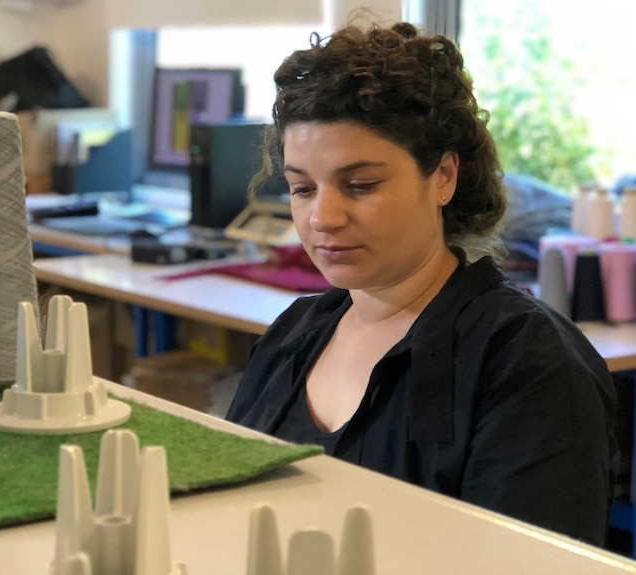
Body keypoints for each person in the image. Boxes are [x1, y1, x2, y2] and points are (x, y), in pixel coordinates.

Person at [225, 21, 618, 547]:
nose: (323, 217)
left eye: (360, 185)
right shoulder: (290, 337)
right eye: (302, 188)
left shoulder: (527, 364)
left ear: (444, 177)